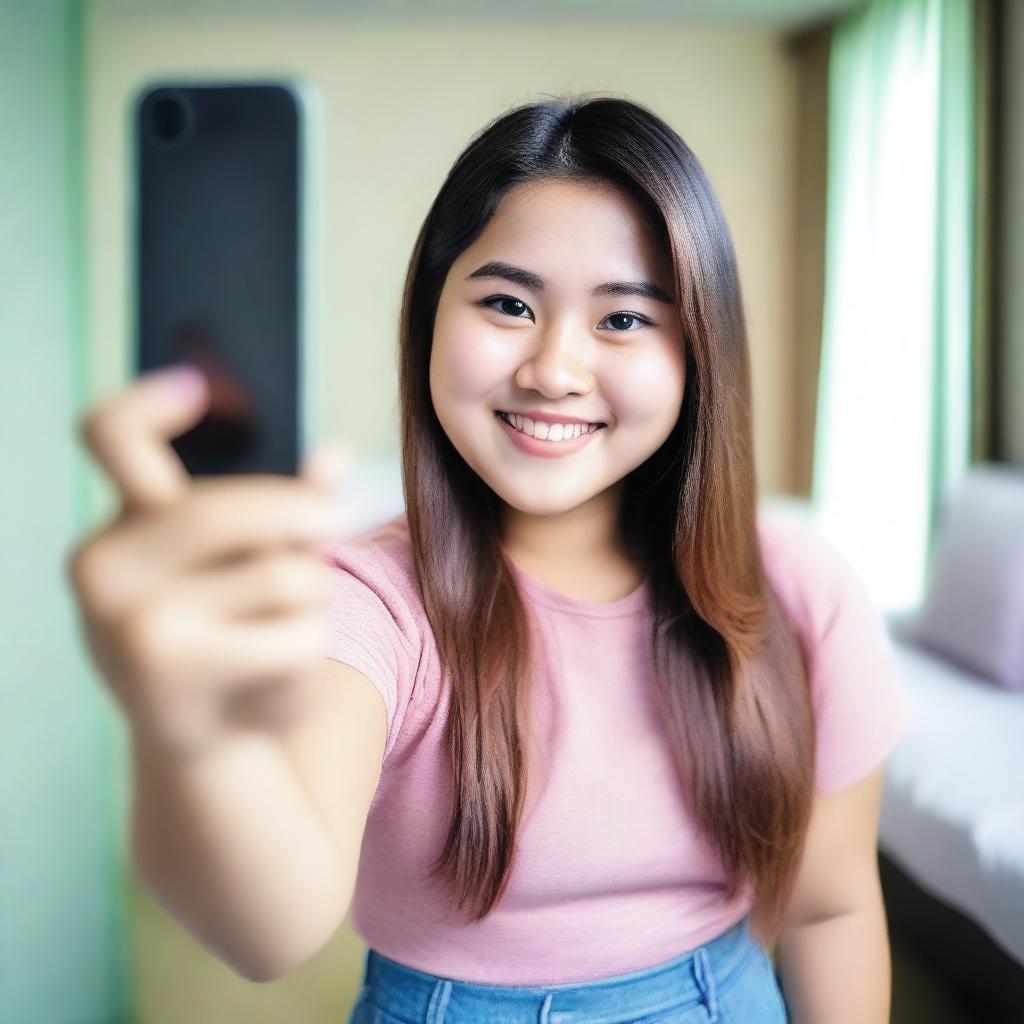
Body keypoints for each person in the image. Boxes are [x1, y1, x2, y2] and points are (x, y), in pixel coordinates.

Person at [66, 94, 913, 1023]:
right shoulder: (370, 605)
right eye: (508, 303)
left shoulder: (798, 587)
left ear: (698, 351)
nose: (554, 367)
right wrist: (192, 740)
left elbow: (831, 909)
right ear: (433, 315)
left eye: (623, 320)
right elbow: (269, 930)